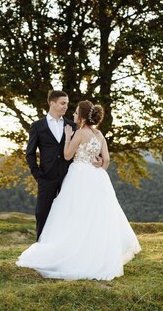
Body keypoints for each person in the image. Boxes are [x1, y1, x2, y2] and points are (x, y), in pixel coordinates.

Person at [17, 100, 141, 281]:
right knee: (95, 217)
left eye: (75, 113)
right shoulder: (99, 134)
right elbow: (106, 161)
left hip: (79, 177)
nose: (73, 115)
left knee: (74, 214)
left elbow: (67, 155)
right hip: (98, 179)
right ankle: (95, 254)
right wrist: (98, 164)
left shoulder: (80, 133)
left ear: (82, 117)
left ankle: (74, 253)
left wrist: (67, 136)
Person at [26, 90, 99, 240]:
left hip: (69, 177)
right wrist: (38, 175)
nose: (66, 106)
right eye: (62, 103)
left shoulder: (72, 126)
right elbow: (30, 153)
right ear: (52, 103)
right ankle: (41, 247)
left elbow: (84, 146)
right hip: (46, 177)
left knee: (68, 213)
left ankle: (63, 246)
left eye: (67, 103)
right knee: (42, 212)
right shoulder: (37, 126)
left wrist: (98, 160)